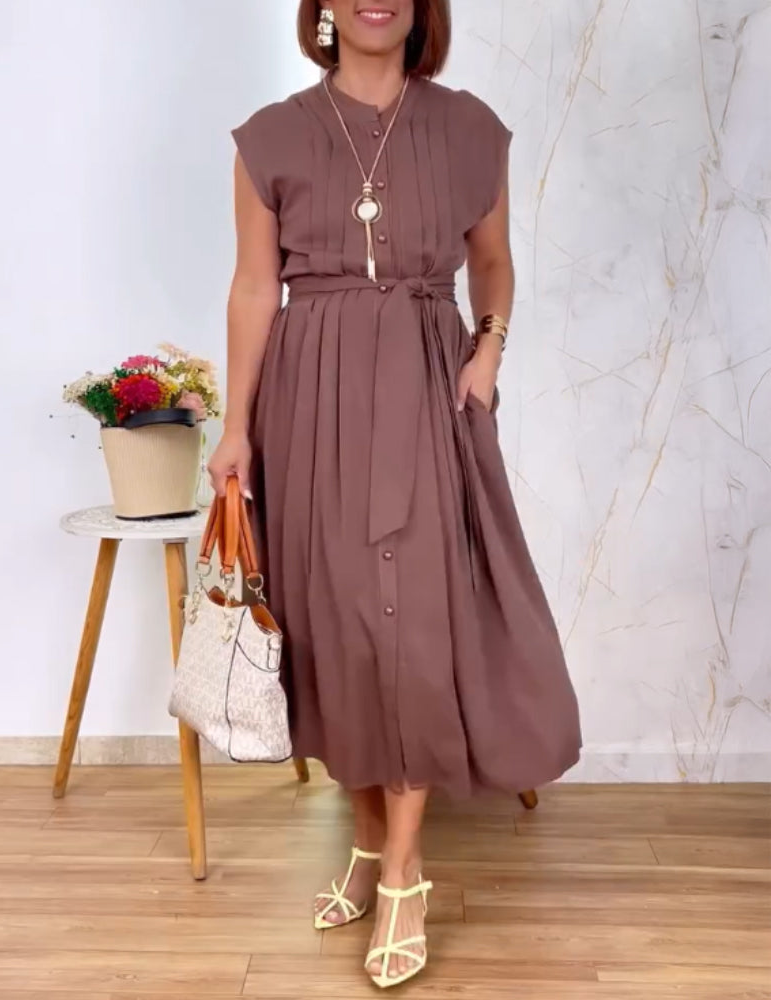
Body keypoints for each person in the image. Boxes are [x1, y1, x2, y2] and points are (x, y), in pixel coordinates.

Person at [208, 0, 582, 989]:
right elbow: (254, 287)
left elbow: (491, 261)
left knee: (410, 626)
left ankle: (406, 872)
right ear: (322, 7)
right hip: (310, 397)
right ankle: (369, 840)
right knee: (336, 627)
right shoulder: (269, 137)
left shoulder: (469, 127)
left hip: (424, 387)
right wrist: (235, 425)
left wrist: (487, 354)